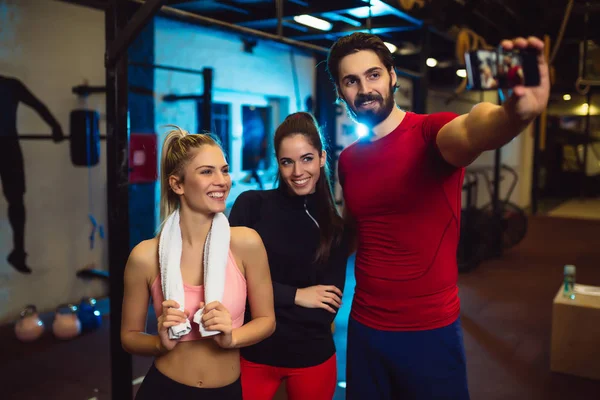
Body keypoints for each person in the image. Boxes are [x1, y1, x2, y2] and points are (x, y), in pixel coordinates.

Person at [326, 33, 549, 399]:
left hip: (427, 332)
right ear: (340, 91)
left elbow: (476, 126)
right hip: (365, 328)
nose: (365, 89)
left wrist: (515, 115)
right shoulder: (349, 160)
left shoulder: (431, 134)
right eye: (351, 81)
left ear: (393, 76)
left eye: (373, 75)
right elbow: (355, 230)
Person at [121, 127, 276, 400]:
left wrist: (232, 338)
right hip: (164, 389)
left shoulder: (246, 244)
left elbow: (267, 320)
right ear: (177, 184)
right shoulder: (145, 256)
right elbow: (129, 336)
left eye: (224, 170)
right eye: (207, 172)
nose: (222, 181)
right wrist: (160, 342)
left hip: (226, 391)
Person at [228, 112, 349, 400]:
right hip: (254, 353)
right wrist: (296, 295)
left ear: (321, 157)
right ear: (278, 163)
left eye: (306, 158)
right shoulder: (251, 206)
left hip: (311, 357)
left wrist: (260, 299)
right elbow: (231, 284)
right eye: (287, 162)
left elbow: (324, 310)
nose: (297, 172)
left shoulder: (334, 228)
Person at [0, 75, 64, 274]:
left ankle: (18, 252)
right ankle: (18, 252)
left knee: (17, 201)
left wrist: (55, 126)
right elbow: (38, 106)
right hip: (9, 146)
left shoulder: (10, 85)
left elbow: (38, 106)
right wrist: (55, 126)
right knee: (16, 201)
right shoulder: (10, 85)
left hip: (9, 146)